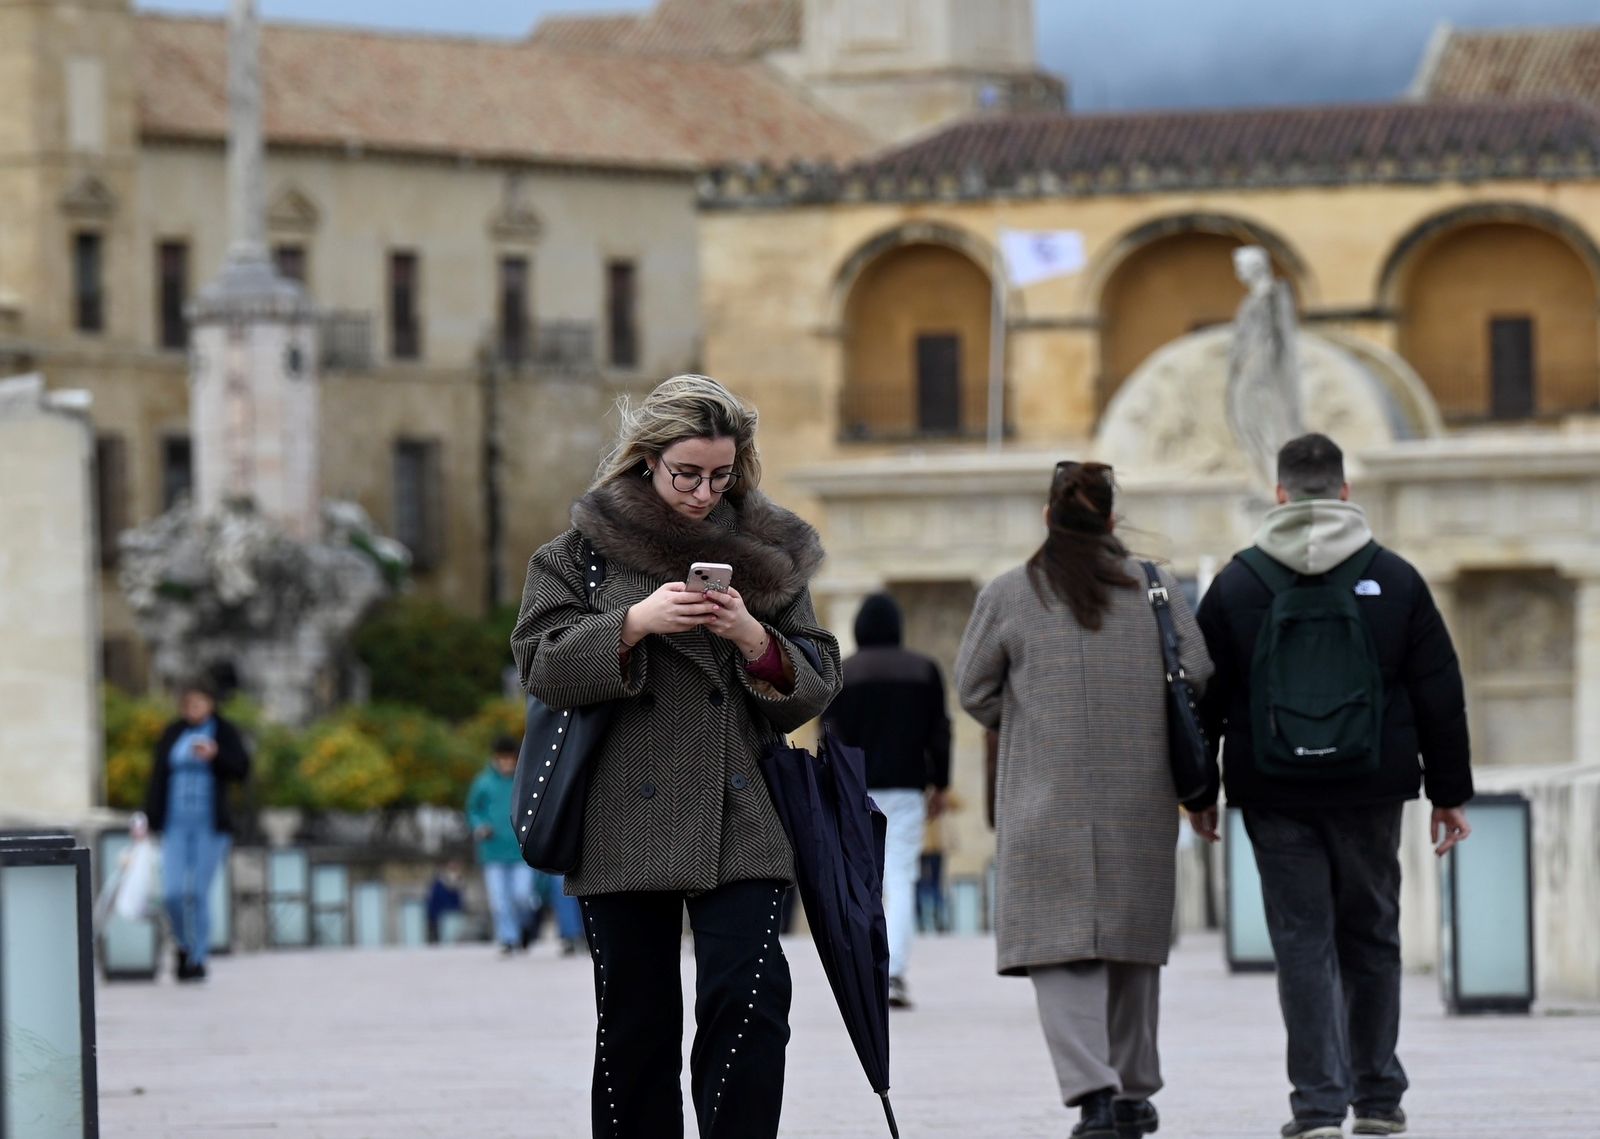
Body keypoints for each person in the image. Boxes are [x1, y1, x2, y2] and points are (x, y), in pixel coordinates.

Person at [511, 373, 843, 1139]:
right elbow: (539, 663)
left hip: (741, 812)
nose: (702, 492)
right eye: (685, 473)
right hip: (621, 813)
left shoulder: (770, 550)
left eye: (720, 475)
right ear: (646, 461)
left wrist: (752, 638)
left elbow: (818, 677)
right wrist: (632, 623)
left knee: (752, 1005)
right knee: (635, 1025)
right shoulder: (578, 555)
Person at [1192, 433, 1473, 1139]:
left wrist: (1198, 790)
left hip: (1273, 787)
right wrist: (1449, 790)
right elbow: (1440, 690)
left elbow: (1201, 696)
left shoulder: (1237, 584)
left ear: (1281, 494)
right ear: (1345, 492)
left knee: (1301, 942)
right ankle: (1377, 1096)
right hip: (1370, 784)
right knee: (1372, 934)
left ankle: (1317, 1104)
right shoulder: (1397, 578)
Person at [955, 460, 1213, 1139]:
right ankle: (1134, 1092)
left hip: (1045, 796)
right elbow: (1200, 670)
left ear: (1048, 517)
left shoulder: (1011, 594)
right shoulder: (1154, 588)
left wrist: (1031, 710)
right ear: (1111, 518)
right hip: (1139, 796)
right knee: (1131, 948)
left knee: (1062, 950)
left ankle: (1093, 1093)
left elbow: (974, 689)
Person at [823, 592, 951, 1010]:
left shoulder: (846, 673)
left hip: (857, 789)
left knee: (862, 882)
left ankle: (864, 969)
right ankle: (894, 971)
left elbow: (832, 737)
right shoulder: (924, 670)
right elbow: (940, 732)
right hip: (907, 789)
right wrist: (941, 785)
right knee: (901, 876)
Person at [144, 677, 251, 983]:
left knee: (198, 893)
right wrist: (149, 819)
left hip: (210, 826)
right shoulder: (173, 732)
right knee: (173, 893)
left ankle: (199, 958)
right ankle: (183, 944)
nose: (193, 709)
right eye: (188, 704)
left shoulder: (223, 731)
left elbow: (242, 769)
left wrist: (216, 755)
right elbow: (157, 778)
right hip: (176, 824)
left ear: (210, 704)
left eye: (198, 703)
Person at [466, 735, 537, 956]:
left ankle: (526, 927)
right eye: (503, 759)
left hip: (521, 851)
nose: (507, 764)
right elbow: (472, 810)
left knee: (522, 896)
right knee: (499, 900)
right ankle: (508, 938)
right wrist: (480, 826)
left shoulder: (525, 778)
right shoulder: (482, 783)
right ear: (496, 759)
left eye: (511, 759)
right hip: (492, 851)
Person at [424, 860, 466, 945]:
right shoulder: (440, 882)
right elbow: (435, 897)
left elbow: (459, 894)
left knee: (454, 931)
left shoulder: (458, 880)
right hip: (440, 911)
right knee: (442, 933)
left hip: (453, 911)